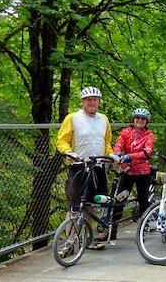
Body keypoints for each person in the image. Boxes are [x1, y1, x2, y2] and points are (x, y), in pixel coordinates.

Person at [56, 86, 117, 248]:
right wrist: (69, 152)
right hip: (79, 167)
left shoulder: (104, 119)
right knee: (74, 206)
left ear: (99, 102)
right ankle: (69, 242)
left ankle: (85, 240)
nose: (92, 102)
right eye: (88, 99)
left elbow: (107, 141)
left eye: (95, 99)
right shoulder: (72, 118)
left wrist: (110, 154)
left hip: (97, 167)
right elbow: (62, 140)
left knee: (91, 204)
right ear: (83, 102)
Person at [98, 107, 155, 242]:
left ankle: (142, 230)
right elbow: (119, 144)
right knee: (119, 200)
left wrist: (129, 156)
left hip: (142, 172)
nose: (139, 120)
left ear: (146, 121)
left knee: (143, 201)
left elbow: (148, 152)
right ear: (133, 119)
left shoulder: (149, 135)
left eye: (142, 119)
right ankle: (112, 230)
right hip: (127, 171)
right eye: (137, 118)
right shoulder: (126, 132)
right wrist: (117, 153)